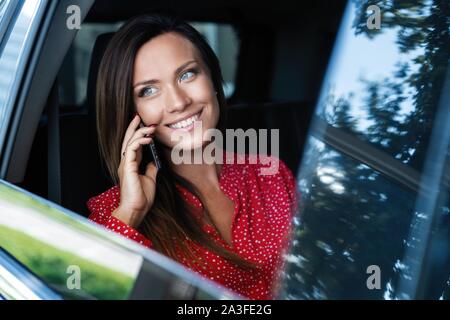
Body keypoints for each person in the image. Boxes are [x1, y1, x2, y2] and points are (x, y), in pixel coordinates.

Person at [86, 14, 298, 300]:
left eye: (187, 74)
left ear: (212, 78)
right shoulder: (116, 211)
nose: (178, 102)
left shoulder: (270, 173)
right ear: (130, 111)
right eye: (149, 91)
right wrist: (131, 212)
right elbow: (88, 289)